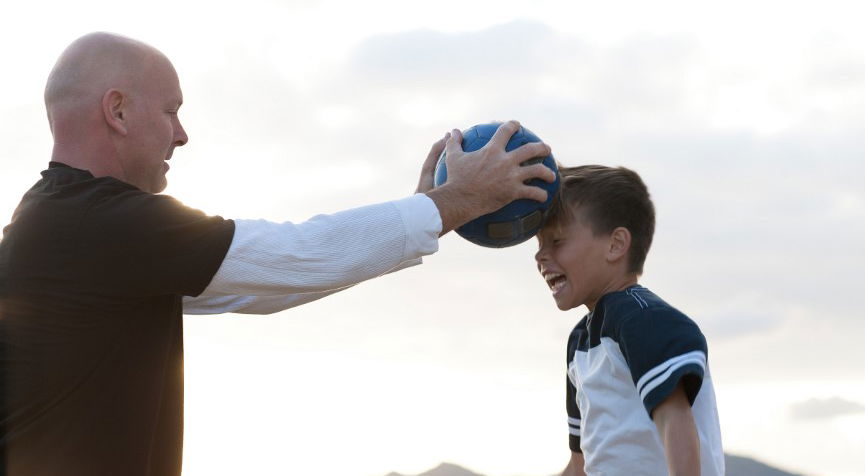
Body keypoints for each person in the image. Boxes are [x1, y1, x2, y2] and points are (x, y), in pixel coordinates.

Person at [0, 32, 555, 476]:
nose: (183, 134)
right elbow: (296, 255)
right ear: (117, 111)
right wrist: (455, 201)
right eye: (171, 111)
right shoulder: (102, 224)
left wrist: (423, 209)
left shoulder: (55, 223)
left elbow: (271, 283)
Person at [533, 165, 724, 476]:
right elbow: (580, 463)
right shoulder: (580, 342)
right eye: (539, 244)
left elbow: (674, 419)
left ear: (615, 245)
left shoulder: (645, 319)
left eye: (556, 241)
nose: (540, 255)